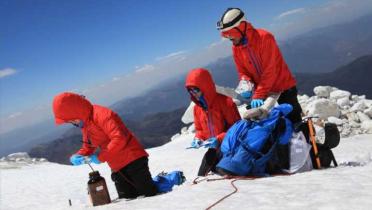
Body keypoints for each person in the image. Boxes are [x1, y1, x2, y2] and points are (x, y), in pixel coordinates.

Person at [52, 92, 183, 199]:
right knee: (128, 197)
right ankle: (150, 182)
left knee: (150, 193)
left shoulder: (103, 115)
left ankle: (170, 178)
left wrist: (101, 157)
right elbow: (89, 145)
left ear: (77, 112)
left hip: (133, 158)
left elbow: (119, 138)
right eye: (71, 122)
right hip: (116, 166)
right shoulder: (86, 125)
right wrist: (78, 155)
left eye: (72, 120)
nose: (73, 124)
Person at [217, 8, 303, 124]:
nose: (230, 39)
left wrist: (258, 95)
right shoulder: (236, 48)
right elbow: (243, 72)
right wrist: (246, 83)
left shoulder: (264, 37)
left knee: (294, 120)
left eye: (230, 34)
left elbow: (270, 70)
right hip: (263, 92)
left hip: (283, 87)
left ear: (241, 27)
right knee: (269, 126)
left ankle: (307, 140)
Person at [185, 68, 241, 176]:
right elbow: (200, 129)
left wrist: (218, 139)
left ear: (204, 87)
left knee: (221, 171)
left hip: (230, 146)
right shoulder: (197, 108)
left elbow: (236, 128)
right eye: (190, 91)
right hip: (214, 149)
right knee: (201, 175)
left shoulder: (225, 102)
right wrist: (198, 138)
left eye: (196, 90)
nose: (194, 94)